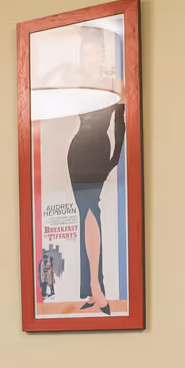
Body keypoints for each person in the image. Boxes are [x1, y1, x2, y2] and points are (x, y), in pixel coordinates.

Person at [66, 102, 126, 315]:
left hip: (98, 152)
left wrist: (116, 157)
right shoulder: (82, 88)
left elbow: (120, 119)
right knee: (86, 215)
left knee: (91, 213)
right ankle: (92, 289)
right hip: (78, 152)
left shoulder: (112, 88)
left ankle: (95, 285)